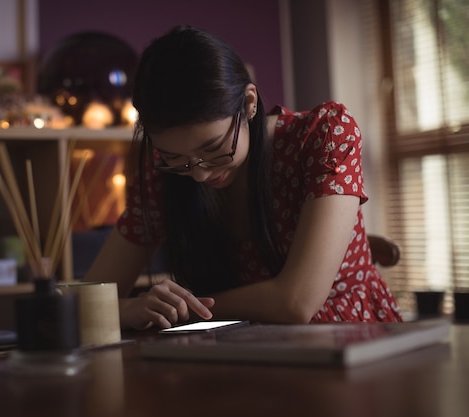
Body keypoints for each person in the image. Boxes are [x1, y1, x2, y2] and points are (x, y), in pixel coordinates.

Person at [84, 25, 403, 330]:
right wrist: (127, 308)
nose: (198, 173)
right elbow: (83, 296)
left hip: (353, 340)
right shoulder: (163, 173)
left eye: (213, 148)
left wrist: (187, 310)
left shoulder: (324, 136)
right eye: (175, 158)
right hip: (238, 352)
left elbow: (296, 303)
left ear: (249, 104)